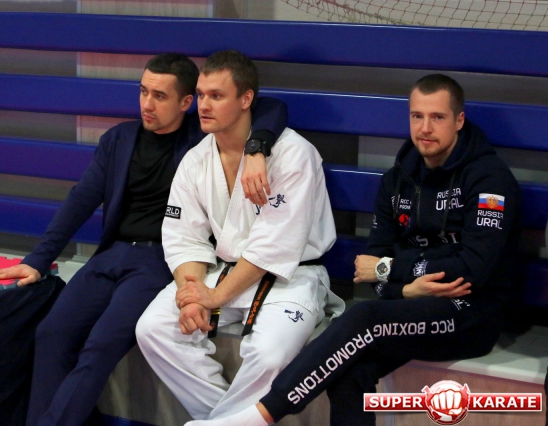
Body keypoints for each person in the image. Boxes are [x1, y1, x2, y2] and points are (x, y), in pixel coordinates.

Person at [184, 73, 522, 426]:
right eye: (417, 116)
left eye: (437, 117)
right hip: (410, 305)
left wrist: (391, 269)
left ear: (459, 120)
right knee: (349, 370)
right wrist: (406, 289)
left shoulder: (489, 179)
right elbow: (368, 271)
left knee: (364, 317)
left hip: (471, 313)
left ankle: (261, 415)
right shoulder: (397, 179)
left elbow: (472, 268)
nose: (425, 128)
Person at [0, 53, 288, 426]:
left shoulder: (201, 138)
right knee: (52, 333)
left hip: (160, 261)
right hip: (111, 255)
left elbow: (272, 107)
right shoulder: (119, 139)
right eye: (143, 92)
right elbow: (81, 200)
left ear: (186, 102)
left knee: (102, 343)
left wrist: (257, 148)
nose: (147, 104)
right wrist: (37, 260)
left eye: (159, 96)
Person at [135, 50, 345, 422]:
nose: (203, 105)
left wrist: (215, 297)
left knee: (269, 354)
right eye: (201, 95)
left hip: (292, 277)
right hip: (223, 272)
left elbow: (273, 247)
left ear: (246, 99)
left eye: (216, 96)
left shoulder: (293, 155)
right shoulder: (196, 159)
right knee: (153, 329)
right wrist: (192, 294)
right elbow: (184, 238)